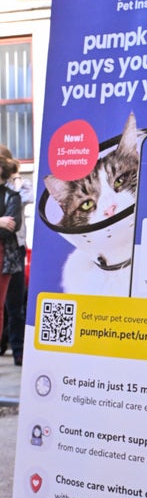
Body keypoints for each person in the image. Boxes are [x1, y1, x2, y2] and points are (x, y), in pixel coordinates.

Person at [0, 146, 32, 365]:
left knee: (14, 304)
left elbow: (26, 197)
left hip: (14, 249)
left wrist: (16, 177)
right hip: (7, 247)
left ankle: (18, 350)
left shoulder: (17, 188)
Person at [0, 150, 22, 359]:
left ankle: (18, 351)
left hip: (7, 255)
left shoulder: (11, 195)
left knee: (9, 306)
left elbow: (11, 226)